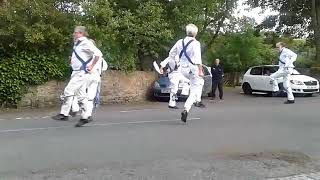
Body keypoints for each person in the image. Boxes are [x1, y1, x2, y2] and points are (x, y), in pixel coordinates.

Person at [52, 26, 103, 125]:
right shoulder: (77, 44)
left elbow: (98, 54)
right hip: (76, 72)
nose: (73, 34)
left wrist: (91, 66)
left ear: (81, 33)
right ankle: (85, 116)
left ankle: (64, 114)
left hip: (81, 73)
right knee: (81, 96)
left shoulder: (86, 42)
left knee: (68, 91)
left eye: (75, 32)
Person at [168, 24, 203, 123]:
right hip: (192, 69)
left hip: (182, 70)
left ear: (187, 32)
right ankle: (186, 109)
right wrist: (200, 70)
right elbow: (197, 58)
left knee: (191, 85)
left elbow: (171, 53)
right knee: (195, 90)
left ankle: (186, 99)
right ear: (195, 33)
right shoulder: (196, 43)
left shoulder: (180, 42)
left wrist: (175, 63)